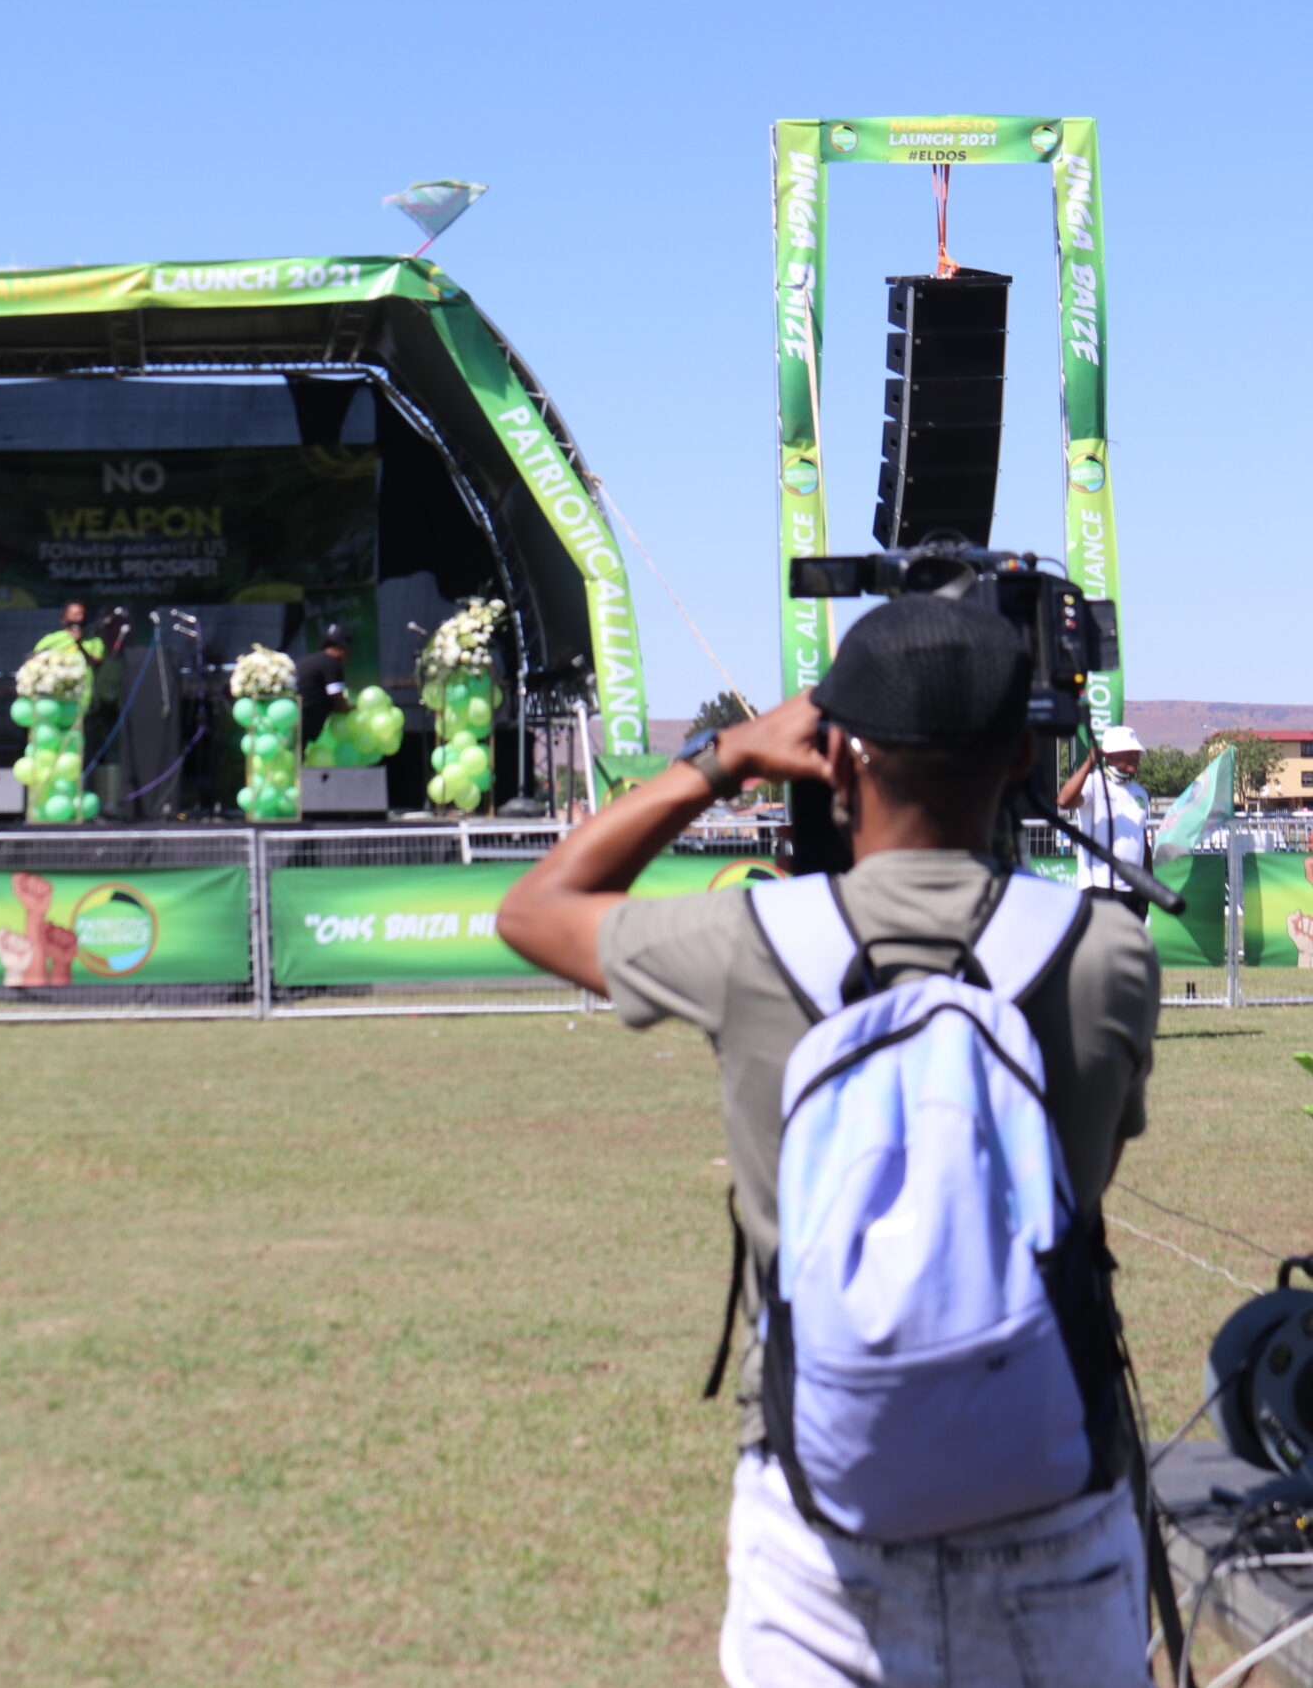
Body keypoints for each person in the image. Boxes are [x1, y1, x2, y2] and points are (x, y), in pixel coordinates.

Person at [496, 598, 1161, 1688]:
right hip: (1056, 1515)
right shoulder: (1106, 954)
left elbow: (535, 908)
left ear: (839, 754)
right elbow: (1082, 1191)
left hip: (819, 1527)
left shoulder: (752, 941)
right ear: (1021, 757)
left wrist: (724, 758)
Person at [1058, 724, 1151, 919]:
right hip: (1099, 886)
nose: (1135, 757)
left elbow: (1141, 839)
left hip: (1135, 889)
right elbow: (1064, 801)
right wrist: (1088, 765)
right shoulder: (1093, 783)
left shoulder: (1140, 793)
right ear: (1109, 756)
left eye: (1137, 753)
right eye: (1129, 752)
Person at [293, 623, 353, 746]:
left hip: (292, 717)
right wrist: (349, 710)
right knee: (297, 754)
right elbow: (335, 694)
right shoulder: (332, 663)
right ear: (342, 649)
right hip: (305, 721)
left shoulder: (308, 660)